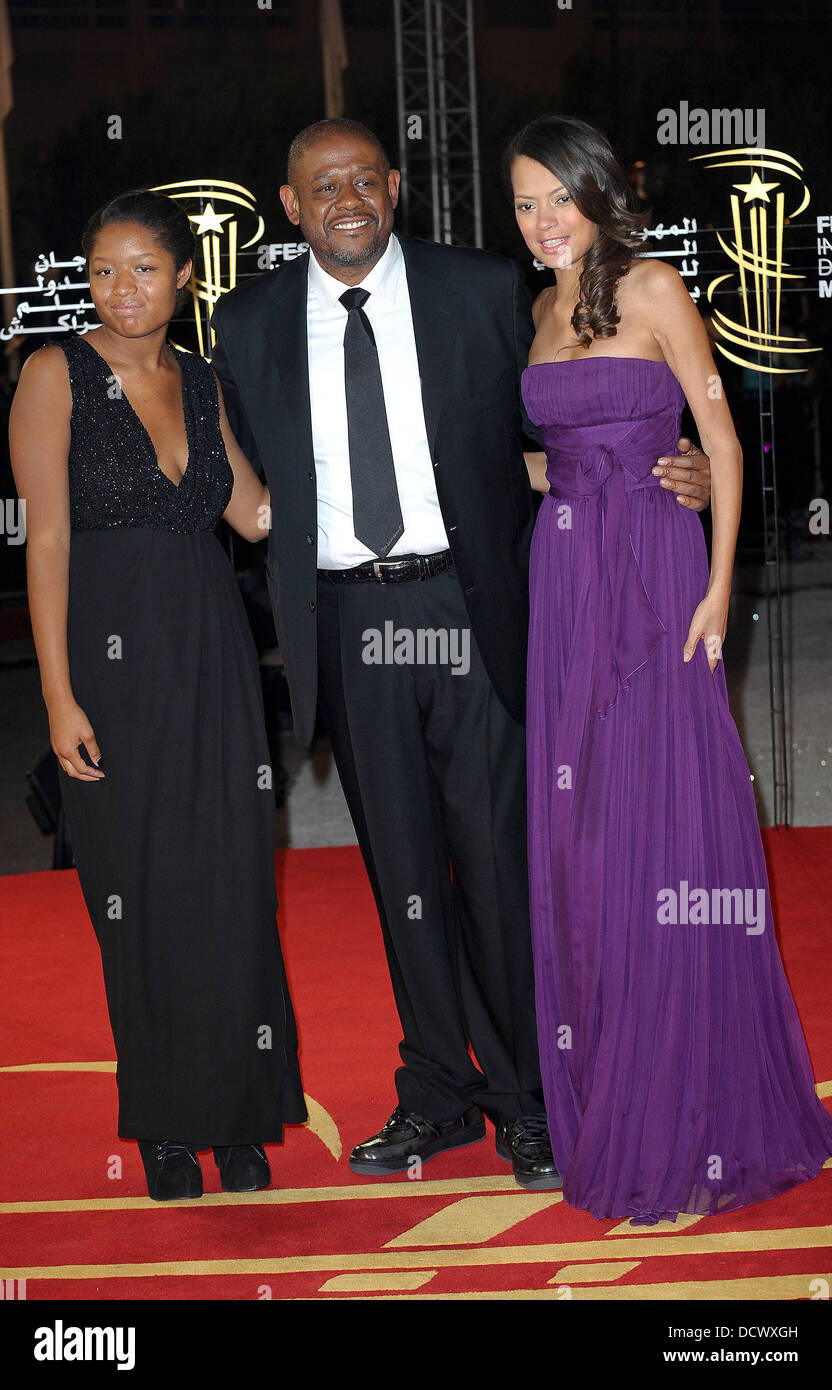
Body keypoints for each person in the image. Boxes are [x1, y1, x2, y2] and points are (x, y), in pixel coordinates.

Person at [210, 118, 711, 1188]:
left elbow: (561, 427)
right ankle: (438, 1090)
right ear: (289, 207)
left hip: (469, 605)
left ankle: (531, 1099)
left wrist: (678, 471)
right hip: (347, 621)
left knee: (496, 866)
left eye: (363, 177)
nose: (346, 197)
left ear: (394, 187)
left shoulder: (487, 291)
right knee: (403, 875)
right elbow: (230, 465)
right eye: (320, 185)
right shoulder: (245, 322)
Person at [509, 114, 832, 1222]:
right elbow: (556, 440)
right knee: (584, 838)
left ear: (599, 194)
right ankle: (613, 1092)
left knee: (662, 826)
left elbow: (724, 436)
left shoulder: (654, 288)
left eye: (556, 197)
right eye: (522, 204)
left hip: (656, 578)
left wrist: (717, 586)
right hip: (566, 580)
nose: (542, 222)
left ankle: (692, 1115)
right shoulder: (543, 307)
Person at [9, 190, 307, 1201]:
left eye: (142, 268)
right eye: (102, 270)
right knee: (136, 904)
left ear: (184, 277)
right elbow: (45, 543)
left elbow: (260, 516)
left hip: (213, 660)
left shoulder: (205, 379)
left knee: (228, 888)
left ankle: (238, 1119)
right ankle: (169, 1128)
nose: (119, 288)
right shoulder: (54, 374)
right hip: (107, 668)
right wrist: (57, 695)